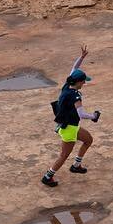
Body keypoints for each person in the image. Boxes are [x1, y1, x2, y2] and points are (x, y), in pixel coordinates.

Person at [42, 45, 100, 188]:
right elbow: (81, 114)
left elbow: (74, 68)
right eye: (84, 81)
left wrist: (82, 57)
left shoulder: (67, 85)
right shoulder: (75, 96)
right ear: (79, 82)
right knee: (63, 155)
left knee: (88, 140)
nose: (85, 83)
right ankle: (47, 176)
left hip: (70, 125)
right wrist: (93, 116)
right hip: (69, 128)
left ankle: (76, 165)